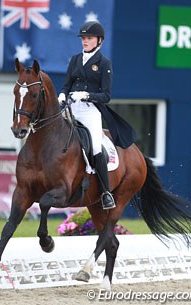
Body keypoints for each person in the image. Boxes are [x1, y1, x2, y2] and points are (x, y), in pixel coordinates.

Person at [58, 21, 137, 210]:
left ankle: (105, 192)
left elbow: (106, 96)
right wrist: (62, 94)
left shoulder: (104, 63)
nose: (85, 41)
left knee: (95, 148)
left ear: (99, 41)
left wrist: (86, 95)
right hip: (71, 109)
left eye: (89, 38)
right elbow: (67, 84)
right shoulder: (75, 59)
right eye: (83, 38)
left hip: (90, 112)